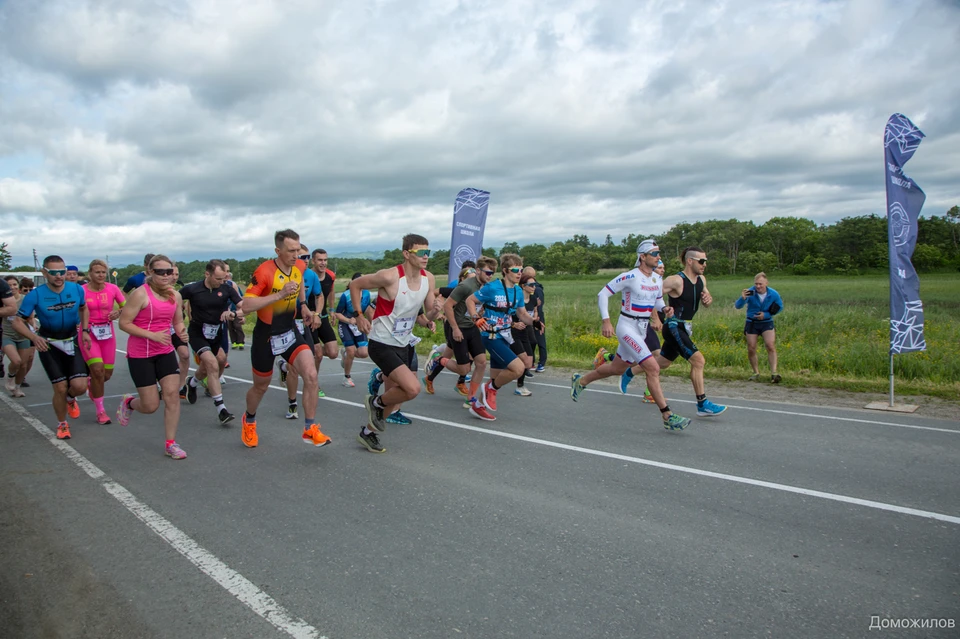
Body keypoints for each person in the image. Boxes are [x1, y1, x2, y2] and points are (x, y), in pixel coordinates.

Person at [571, 240, 691, 430]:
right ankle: (667, 415)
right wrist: (606, 320)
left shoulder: (657, 279)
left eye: (658, 253)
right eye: (654, 254)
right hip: (627, 326)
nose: (658, 257)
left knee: (617, 368)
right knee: (652, 367)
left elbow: (657, 301)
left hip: (642, 328)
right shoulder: (629, 276)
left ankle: (581, 380)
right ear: (643, 257)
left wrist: (665, 308)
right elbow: (603, 294)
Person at [351, 234, 444, 453]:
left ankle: (368, 433)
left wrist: (436, 312)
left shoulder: (428, 278)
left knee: (396, 396)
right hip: (381, 342)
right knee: (412, 388)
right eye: (421, 252)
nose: (426, 257)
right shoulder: (390, 276)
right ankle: (374, 402)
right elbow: (355, 285)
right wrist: (358, 315)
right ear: (406, 254)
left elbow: (428, 313)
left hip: (404, 342)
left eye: (428, 252)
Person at [240, 229, 330, 449]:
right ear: (277, 251)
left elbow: (298, 284)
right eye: (290, 251)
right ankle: (249, 420)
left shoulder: (299, 266)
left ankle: (309, 428)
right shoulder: (264, 272)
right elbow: (246, 305)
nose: (295, 255)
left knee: (310, 373)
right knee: (261, 387)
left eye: (298, 250)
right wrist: (279, 295)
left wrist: (303, 306)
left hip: (289, 330)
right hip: (266, 335)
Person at [115, 255, 188, 459]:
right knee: (150, 406)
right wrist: (152, 335)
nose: (166, 276)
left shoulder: (176, 295)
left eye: (169, 271)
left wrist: (182, 332)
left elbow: (178, 321)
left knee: (172, 395)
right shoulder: (140, 294)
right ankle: (129, 403)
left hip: (164, 352)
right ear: (149, 273)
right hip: (141, 355)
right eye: (160, 272)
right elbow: (124, 323)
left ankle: (171, 444)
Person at [11, 256, 91, 440]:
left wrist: (85, 329)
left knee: (79, 387)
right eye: (54, 273)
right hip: (49, 344)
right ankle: (62, 424)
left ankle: (71, 399)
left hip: (71, 340)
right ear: (44, 272)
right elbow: (17, 321)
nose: (59, 276)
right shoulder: (36, 295)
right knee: (61, 388)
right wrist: (33, 337)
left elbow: (83, 308)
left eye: (62, 272)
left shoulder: (76, 289)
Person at [465, 253, 541, 417]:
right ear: (505, 271)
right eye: (515, 270)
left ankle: (478, 406)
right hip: (491, 336)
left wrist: (534, 321)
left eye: (521, 270)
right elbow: (470, 301)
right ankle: (489, 389)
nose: (519, 273)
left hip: (506, 335)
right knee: (518, 368)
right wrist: (476, 318)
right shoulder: (492, 287)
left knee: (497, 376)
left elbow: (521, 314)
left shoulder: (518, 292)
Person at [657, 246, 726, 417]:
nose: (704, 265)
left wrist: (708, 300)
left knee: (661, 363)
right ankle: (702, 403)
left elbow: (706, 301)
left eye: (705, 261)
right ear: (690, 261)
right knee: (698, 361)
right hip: (673, 326)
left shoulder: (702, 279)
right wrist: (656, 317)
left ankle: (622, 366)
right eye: (701, 261)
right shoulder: (675, 280)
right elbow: (651, 295)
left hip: (686, 327)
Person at [179, 259, 244, 424]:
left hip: (216, 333)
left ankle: (192, 383)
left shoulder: (227, 289)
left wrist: (235, 314)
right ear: (207, 274)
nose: (222, 282)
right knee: (212, 364)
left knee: (218, 362)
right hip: (197, 332)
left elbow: (244, 307)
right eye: (218, 279)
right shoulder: (192, 289)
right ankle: (221, 409)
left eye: (224, 278)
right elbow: (174, 300)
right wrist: (178, 318)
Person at [423, 262, 488, 402]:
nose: (472, 279)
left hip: (470, 327)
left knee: (468, 357)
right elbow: (435, 293)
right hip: (453, 326)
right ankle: (444, 365)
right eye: (469, 277)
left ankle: (435, 378)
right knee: (459, 360)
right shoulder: (457, 289)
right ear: (462, 279)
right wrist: (438, 310)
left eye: (473, 277)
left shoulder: (479, 289)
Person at [277, 244, 320, 420]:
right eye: (302, 257)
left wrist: (315, 312)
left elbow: (319, 294)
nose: (305, 260)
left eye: (307, 257)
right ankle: (292, 403)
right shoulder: (280, 274)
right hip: (285, 324)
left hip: (303, 322)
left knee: (314, 357)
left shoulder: (310, 275)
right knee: (294, 367)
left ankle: (283, 367)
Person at [80, 259, 126, 423]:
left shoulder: (112, 289)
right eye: (97, 272)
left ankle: (92, 385)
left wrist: (118, 312)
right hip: (88, 333)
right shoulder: (82, 290)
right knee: (98, 370)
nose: (100, 275)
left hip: (107, 334)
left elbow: (126, 306)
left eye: (103, 272)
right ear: (90, 274)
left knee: (105, 375)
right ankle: (101, 411)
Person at [735, 272, 784, 383]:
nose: (758, 286)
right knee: (751, 347)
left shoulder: (773, 294)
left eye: (760, 284)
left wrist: (766, 315)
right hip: (752, 322)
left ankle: (774, 373)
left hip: (766, 322)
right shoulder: (750, 292)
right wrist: (742, 298)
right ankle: (756, 372)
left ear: (766, 283)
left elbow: (780, 307)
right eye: (756, 284)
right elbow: (738, 306)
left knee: (770, 345)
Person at [307, 248, 338, 398]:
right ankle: (314, 384)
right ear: (313, 261)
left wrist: (332, 310)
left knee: (333, 352)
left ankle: (300, 359)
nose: (323, 263)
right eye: (320, 260)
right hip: (309, 318)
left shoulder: (330, 275)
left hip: (323, 315)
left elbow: (331, 292)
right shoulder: (307, 276)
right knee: (318, 354)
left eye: (325, 260)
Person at [334, 272, 373, 388]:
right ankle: (347, 377)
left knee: (363, 353)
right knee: (351, 350)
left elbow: (367, 309)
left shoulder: (366, 294)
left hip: (358, 325)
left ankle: (346, 355)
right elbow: (337, 313)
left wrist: (368, 322)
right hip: (345, 324)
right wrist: (348, 320)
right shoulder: (345, 295)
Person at [2, 276, 35, 397]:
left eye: (15, 284)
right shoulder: (3, 301)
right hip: (7, 334)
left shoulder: (25, 299)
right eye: (9, 285)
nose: (12, 287)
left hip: (23, 335)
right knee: (16, 361)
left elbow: (31, 317)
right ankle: (10, 377)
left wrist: (34, 326)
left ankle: (17, 387)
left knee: (23, 365)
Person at [510, 274, 539, 396]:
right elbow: (507, 315)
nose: (534, 287)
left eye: (535, 285)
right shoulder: (515, 299)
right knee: (522, 360)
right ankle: (519, 386)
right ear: (523, 286)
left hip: (526, 332)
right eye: (531, 285)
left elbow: (535, 310)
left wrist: (535, 320)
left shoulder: (533, 299)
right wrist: (514, 324)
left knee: (528, 363)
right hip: (513, 332)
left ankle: (514, 374)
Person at [524, 266, 548, 373]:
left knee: (540, 340)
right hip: (528, 318)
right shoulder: (522, 290)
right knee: (531, 341)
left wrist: (537, 319)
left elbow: (538, 306)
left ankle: (541, 363)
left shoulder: (537, 289)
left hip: (537, 318)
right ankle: (531, 362)